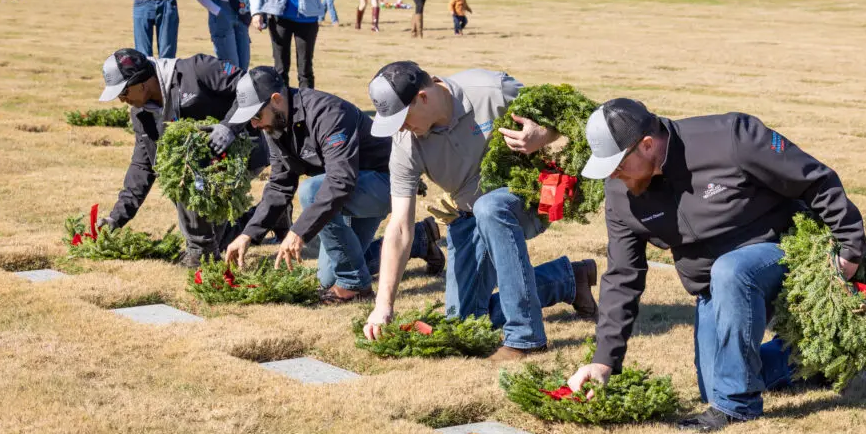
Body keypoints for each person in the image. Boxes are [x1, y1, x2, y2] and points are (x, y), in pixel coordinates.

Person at [566, 99, 866, 433]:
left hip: (781, 251)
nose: (613, 175)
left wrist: (851, 247)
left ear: (647, 145)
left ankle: (738, 409)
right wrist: (604, 360)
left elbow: (814, 179)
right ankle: (810, 357)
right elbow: (623, 276)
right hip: (715, 287)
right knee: (715, 383)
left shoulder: (731, 138)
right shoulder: (621, 194)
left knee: (730, 274)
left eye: (617, 165)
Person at [360, 62, 599, 361]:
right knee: (464, 323)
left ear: (423, 97)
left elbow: (564, 117)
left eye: (403, 117)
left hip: (522, 199)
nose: (401, 127)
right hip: (469, 215)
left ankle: (525, 337)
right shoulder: (405, 143)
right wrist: (384, 305)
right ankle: (566, 280)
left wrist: (542, 134)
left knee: (490, 208)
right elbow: (399, 227)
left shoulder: (491, 91)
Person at [222, 66, 445, 299]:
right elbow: (279, 184)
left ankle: (355, 285)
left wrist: (298, 231)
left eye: (256, 116)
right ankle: (420, 239)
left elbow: (340, 181)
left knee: (311, 191)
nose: (255, 125)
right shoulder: (275, 126)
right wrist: (248, 234)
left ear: (276, 100)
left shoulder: (327, 112)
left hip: (386, 183)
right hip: (350, 191)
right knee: (328, 278)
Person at [96, 48, 283, 267]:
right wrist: (116, 218)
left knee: (189, 183)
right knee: (215, 232)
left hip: (243, 150)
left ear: (142, 83)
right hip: (200, 168)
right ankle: (273, 214)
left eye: (123, 93)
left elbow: (251, 87)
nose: (122, 100)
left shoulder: (198, 70)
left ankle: (200, 255)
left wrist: (229, 128)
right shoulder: (141, 115)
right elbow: (143, 165)